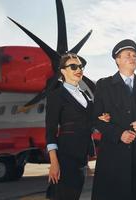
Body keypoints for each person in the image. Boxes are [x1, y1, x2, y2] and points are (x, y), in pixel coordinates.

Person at [91, 39, 136, 200]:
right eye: (128, 55)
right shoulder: (104, 85)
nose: (133, 57)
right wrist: (119, 133)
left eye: (135, 55)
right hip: (114, 155)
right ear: (117, 59)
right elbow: (96, 118)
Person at [45, 53, 94, 200]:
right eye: (73, 66)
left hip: (82, 156)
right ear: (63, 71)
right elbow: (51, 130)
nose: (79, 69)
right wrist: (54, 163)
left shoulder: (86, 95)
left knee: (74, 195)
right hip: (65, 156)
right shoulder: (56, 95)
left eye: (80, 66)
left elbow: (91, 121)